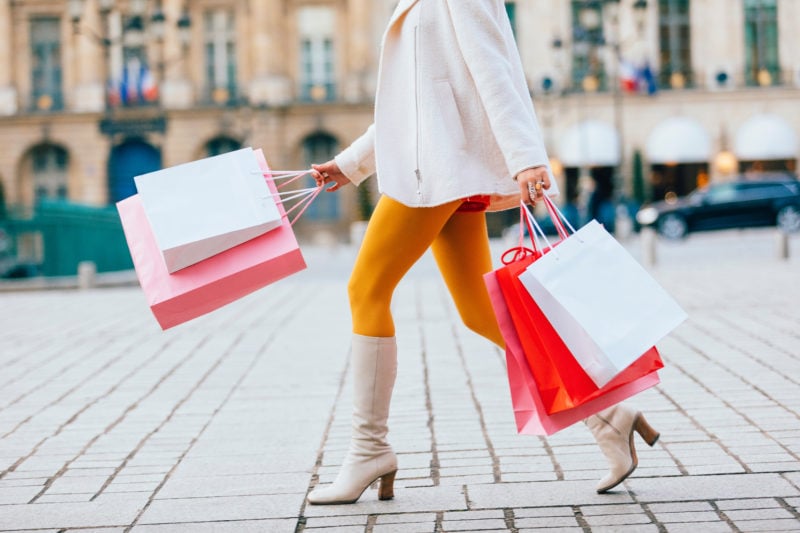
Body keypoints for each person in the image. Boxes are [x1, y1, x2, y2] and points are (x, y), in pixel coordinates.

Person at [307, 0, 658, 505]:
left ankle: (369, 448)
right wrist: (351, 163)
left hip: (437, 169)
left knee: (365, 289)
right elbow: (413, 100)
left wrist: (527, 158)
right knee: (480, 312)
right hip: (440, 166)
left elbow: (492, 69)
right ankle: (608, 413)